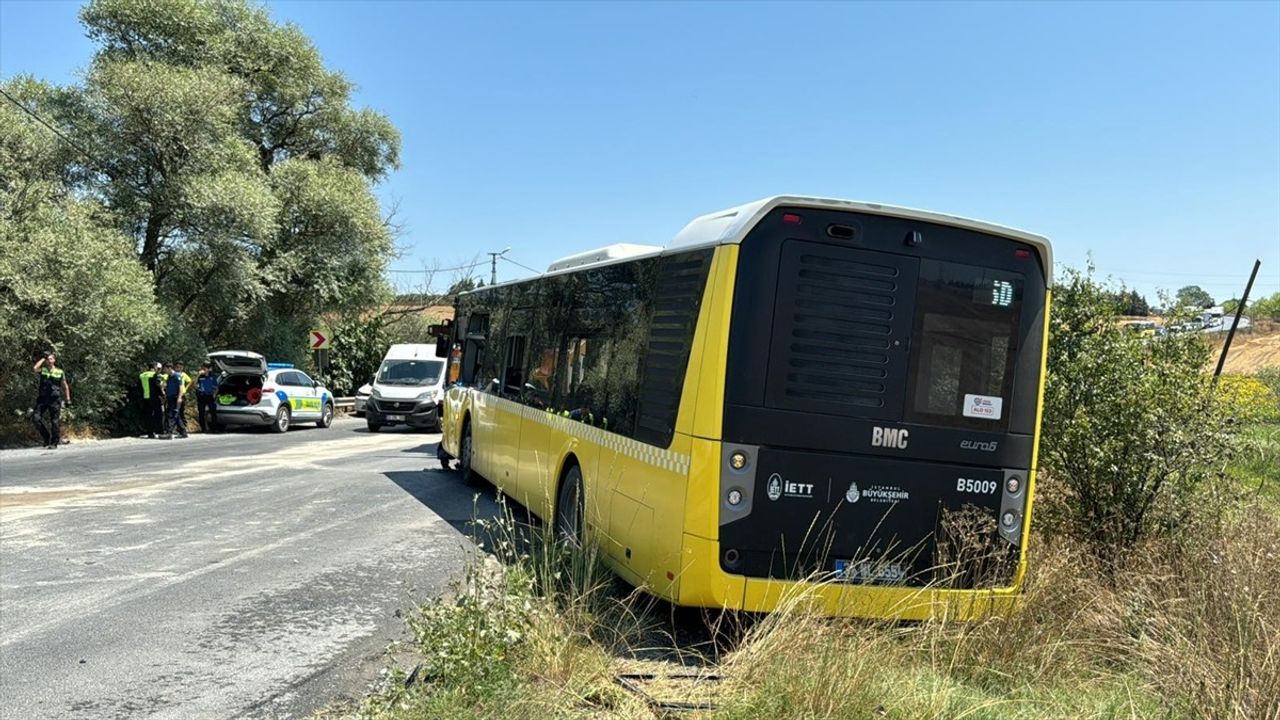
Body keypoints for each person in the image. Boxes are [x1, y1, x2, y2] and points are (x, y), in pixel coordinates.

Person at [32, 352, 71, 449]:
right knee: (35, 418)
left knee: (55, 421)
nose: (49, 361)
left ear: (54, 360)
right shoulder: (43, 370)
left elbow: (65, 386)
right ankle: (46, 437)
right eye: (47, 359)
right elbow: (35, 368)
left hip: (54, 399)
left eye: (50, 359)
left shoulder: (59, 372)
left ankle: (54, 443)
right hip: (42, 399)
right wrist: (42, 359)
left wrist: (68, 399)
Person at [165, 361, 192, 439]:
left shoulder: (177, 376)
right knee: (177, 415)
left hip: (175, 397)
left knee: (171, 415)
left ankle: (169, 433)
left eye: (165, 369)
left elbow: (180, 387)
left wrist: (179, 398)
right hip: (170, 398)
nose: (165, 371)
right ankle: (183, 432)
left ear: (169, 368)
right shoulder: (169, 376)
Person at [195, 363, 219, 432]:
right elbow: (195, 385)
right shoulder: (200, 377)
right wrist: (198, 375)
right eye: (202, 369)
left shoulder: (212, 377)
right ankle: (203, 428)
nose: (203, 370)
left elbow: (216, 387)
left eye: (205, 369)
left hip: (210, 396)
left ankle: (214, 428)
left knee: (213, 412)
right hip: (202, 396)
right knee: (201, 413)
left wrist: (214, 394)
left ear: (208, 369)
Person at [139, 361, 160, 438]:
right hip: (153, 397)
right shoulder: (154, 375)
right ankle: (156, 431)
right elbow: (157, 386)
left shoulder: (142, 375)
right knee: (155, 414)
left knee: (147, 415)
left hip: (144, 397)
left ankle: (149, 432)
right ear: (154, 367)